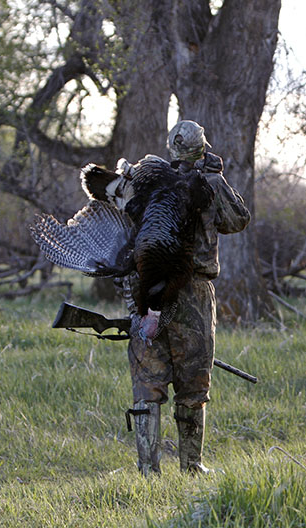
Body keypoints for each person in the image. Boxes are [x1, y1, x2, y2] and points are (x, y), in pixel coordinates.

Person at [113, 120, 250, 475]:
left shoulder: (144, 181)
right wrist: (217, 178)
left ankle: (147, 470)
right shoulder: (210, 182)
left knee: (148, 382)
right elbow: (238, 220)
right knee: (192, 384)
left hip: (146, 288)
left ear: (171, 150)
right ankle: (192, 466)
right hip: (193, 293)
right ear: (203, 148)